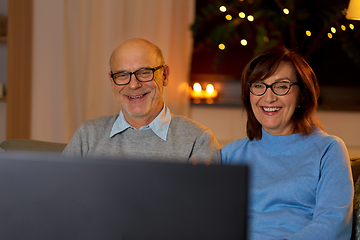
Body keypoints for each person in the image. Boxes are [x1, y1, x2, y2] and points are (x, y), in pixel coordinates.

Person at [221, 46, 353, 240]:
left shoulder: (329, 150)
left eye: (282, 86)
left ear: (301, 95)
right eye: (258, 85)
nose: (268, 97)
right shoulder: (229, 155)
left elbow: (332, 221)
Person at [62, 38, 221, 164]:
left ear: (164, 75)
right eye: (122, 75)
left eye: (144, 72)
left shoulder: (198, 140)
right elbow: (58, 195)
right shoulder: (88, 135)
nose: (133, 84)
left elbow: (205, 203)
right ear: (112, 81)